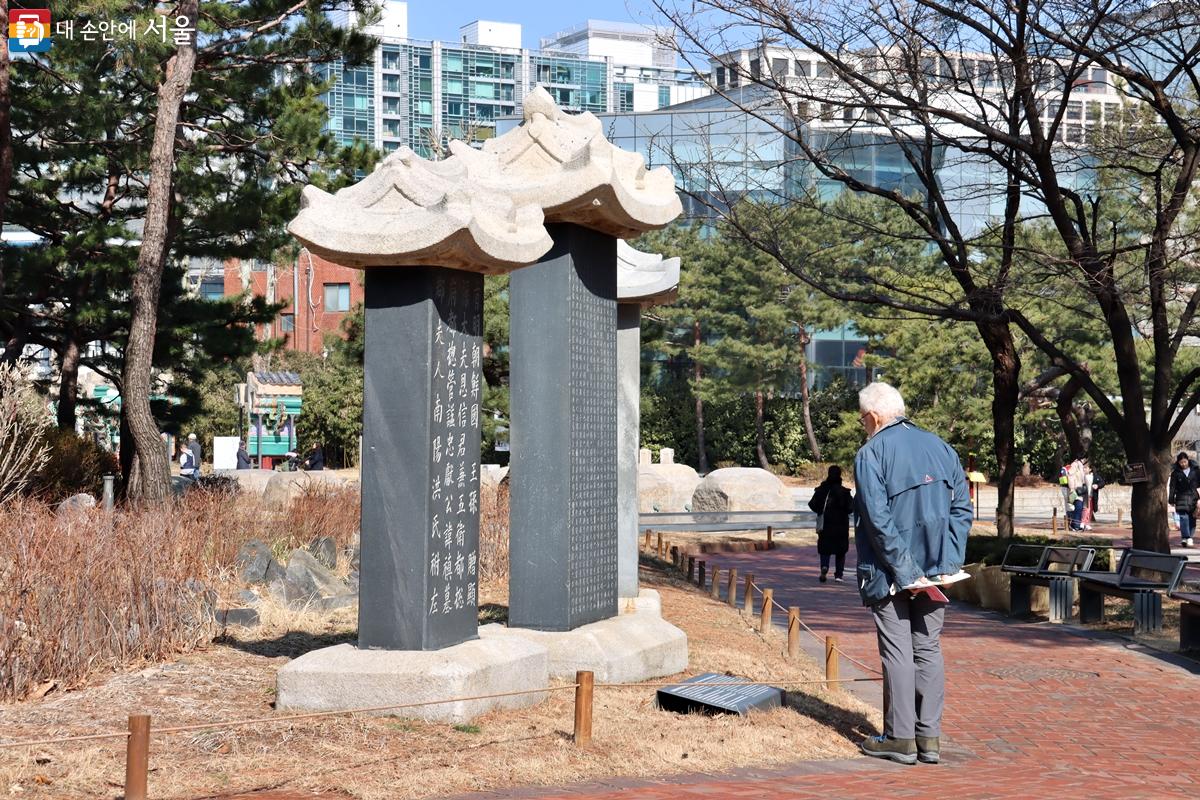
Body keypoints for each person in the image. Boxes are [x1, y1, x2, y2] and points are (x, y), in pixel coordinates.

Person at [852, 382, 972, 766]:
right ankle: (929, 738)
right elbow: (962, 510)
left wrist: (904, 570)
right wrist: (946, 564)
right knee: (928, 649)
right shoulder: (941, 447)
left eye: (862, 420)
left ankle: (900, 738)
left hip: (890, 573)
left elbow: (877, 519)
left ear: (873, 417)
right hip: (937, 570)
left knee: (898, 651)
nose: (862, 426)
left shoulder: (872, 453)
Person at [809, 465, 853, 583]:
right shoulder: (844, 492)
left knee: (825, 548)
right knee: (841, 550)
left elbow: (812, 504)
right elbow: (851, 508)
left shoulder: (821, 490)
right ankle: (839, 575)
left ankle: (824, 567)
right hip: (841, 525)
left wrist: (820, 511)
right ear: (840, 475)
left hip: (826, 524)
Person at [1168, 452, 1199, 548]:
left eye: (1185, 462)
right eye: (1181, 462)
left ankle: (1186, 538)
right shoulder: (1175, 473)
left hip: (1194, 498)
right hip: (1181, 498)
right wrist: (1171, 499)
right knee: (1183, 518)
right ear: (1178, 462)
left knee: (1192, 519)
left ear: (1188, 460)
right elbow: (1172, 487)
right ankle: (1187, 537)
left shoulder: (1196, 471)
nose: (1183, 464)